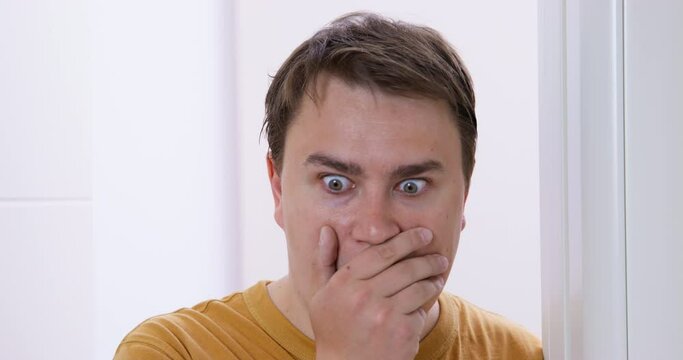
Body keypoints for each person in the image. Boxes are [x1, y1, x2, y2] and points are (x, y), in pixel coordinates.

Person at [114, 12, 543, 360]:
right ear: (278, 190)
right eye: (336, 183)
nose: (374, 230)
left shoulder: (523, 355)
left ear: (463, 196)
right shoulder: (173, 351)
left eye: (411, 186)